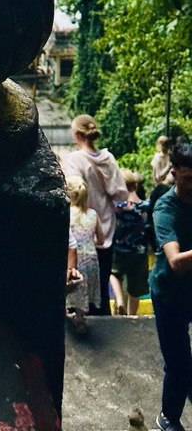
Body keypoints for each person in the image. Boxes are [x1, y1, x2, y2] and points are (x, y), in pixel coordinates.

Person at [64, 114, 127, 314]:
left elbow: (71, 190)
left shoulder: (74, 160)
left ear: (76, 135)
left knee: (79, 280)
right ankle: (102, 313)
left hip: (81, 229)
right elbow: (120, 193)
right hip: (106, 227)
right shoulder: (109, 158)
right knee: (103, 274)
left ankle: (83, 315)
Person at [150, 141, 192, 431]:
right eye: (189, 178)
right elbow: (175, 261)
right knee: (178, 363)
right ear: (174, 173)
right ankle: (168, 418)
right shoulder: (165, 207)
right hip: (169, 294)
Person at [110, 169, 149, 316]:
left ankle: (119, 299)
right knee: (135, 288)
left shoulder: (118, 207)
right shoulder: (146, 206)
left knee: (113, 274)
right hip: (140, 251)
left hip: (120, 248)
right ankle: (131, 315)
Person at [66, 175, 102, 333]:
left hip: (73, 259)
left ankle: (67, 314)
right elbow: (101, 239)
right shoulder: (93, 214)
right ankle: (81, 319)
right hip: (91, 258)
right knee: (85, 289)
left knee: (71, 287)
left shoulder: (67, 214)